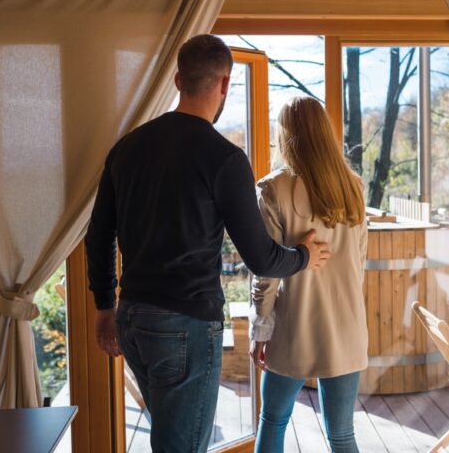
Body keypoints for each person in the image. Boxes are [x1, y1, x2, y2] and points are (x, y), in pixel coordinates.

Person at [84, 34, 330, 453]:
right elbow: (260, 257)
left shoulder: (126, 149)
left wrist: (105, 306)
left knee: (169, 436)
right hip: (186, 326)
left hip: (133, 319)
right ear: (224, 85)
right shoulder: (224, 158)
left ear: (178, 81)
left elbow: (98, 235)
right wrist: (305, 256)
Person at [250, 96, 369, 453]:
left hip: (294, 326)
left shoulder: (272, 189)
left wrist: (261, 329)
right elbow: (358, 263)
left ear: (285, 134)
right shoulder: (354, 187)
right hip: (347, 327)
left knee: (273, 421)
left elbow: (267, 272)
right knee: (343, 434)